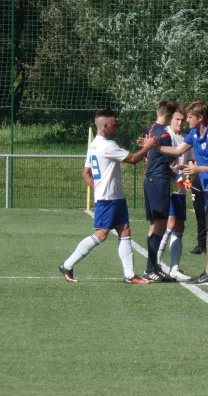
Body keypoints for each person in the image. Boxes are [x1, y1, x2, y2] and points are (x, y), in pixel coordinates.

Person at [59, 109, 158, 284]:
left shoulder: (94, 145)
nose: (116, 127)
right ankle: (67, 264)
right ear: (105, 126)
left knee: (125, 230)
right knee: (101, 234)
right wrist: (148, 147)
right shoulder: (107, 146)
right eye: (114, 124)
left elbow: (86, 173)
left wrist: (98, 190)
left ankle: (130, 275)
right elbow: (134, 159)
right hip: (108, 199)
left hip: (115, 197)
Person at [152, 101, 208, 285]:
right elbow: (178, 150)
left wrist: (199, 169)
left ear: (200, 118)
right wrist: (155, 148)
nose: (186, 121)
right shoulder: (195, 134)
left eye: (189, 117)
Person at [142, 100, 178, 283]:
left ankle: (154, 266)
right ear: (170, 117)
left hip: (150, 179)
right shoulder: (164, 135)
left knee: (154, 225)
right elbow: (168, 158)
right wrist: (177, 172)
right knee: (160, 226)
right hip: (159, 181)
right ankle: (150, 268)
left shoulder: (150, 129)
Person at [156, 104, 193, 281]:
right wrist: (172, 170)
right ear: (171, 119)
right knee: (169, 224)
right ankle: (155, 264)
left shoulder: (186, 138)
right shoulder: (165, 135)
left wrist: (189, 176)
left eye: (183, 120)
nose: (180, 123)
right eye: (177, 119)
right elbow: (159, 160)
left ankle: (174, 268)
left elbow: (191, 161)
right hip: (167, 186)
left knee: (179, 226)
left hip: (179, 187)